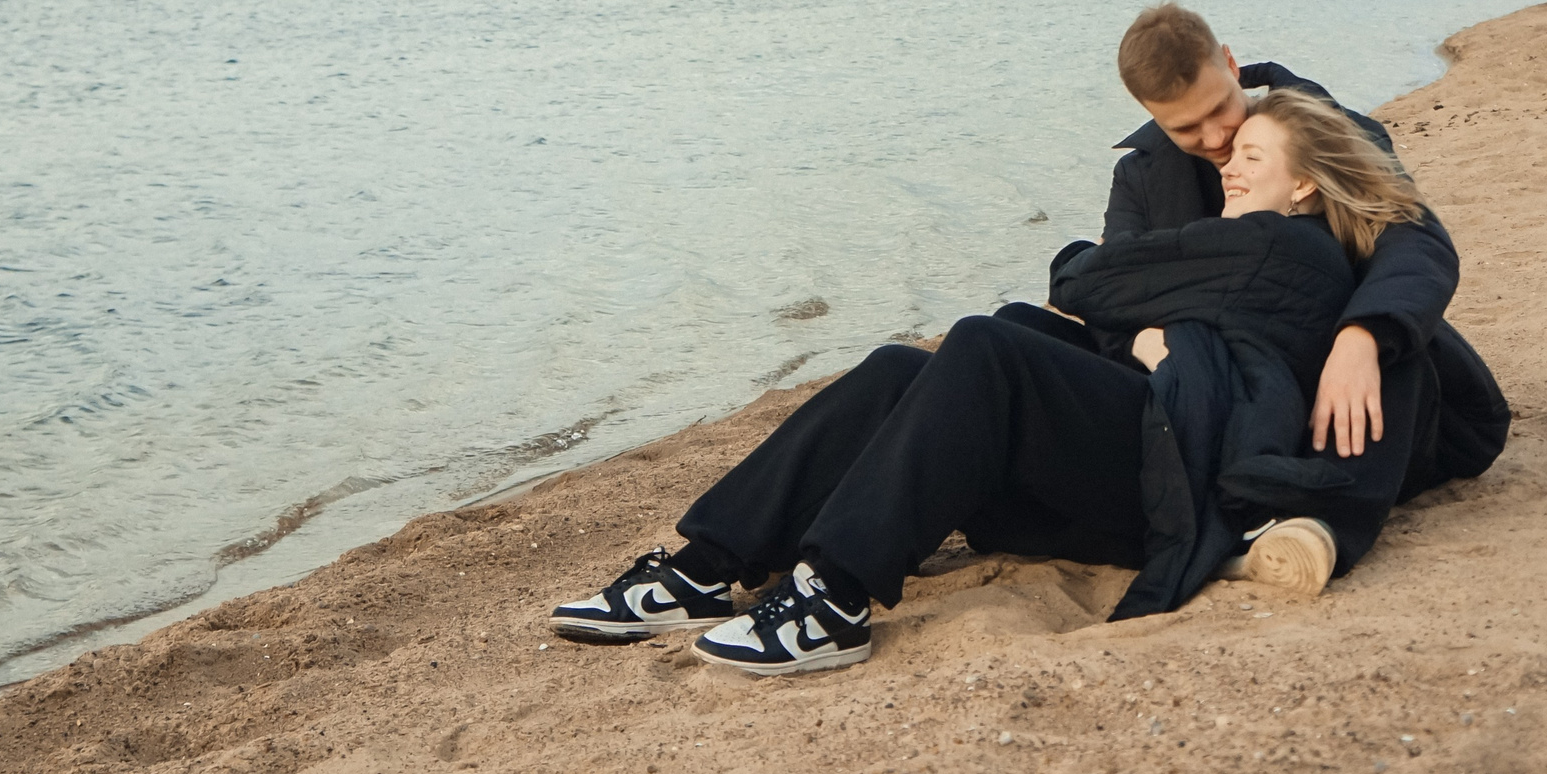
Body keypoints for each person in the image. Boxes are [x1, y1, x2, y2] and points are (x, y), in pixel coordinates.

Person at [545, 77, 1450, 675]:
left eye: (1251, 158)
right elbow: (1112, 292)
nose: (1227, 170)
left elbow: (1086, 275)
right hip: (1154, 438)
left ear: (1305, 187)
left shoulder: (1278, 244)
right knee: (907, 364)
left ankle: (831, 597)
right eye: (1228, 154)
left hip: (1170, 474)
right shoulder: (1271, 240)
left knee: (986, 342)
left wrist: (1137, 307)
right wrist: (1144, 329)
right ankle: (708, 564)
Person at [1103, 3, 1510, 578]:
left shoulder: (1327, 128)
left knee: (1394, 350)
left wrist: (1361, 336)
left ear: (1229, 62)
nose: (1216, 136)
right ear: (1150, 114)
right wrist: (1145, 340)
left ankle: (1321, 526)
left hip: (1375, 388)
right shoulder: (1140, 178)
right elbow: (1112, 286)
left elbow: (1414, 238)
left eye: (1220, 107)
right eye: (1186, 128)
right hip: (1240, 391)